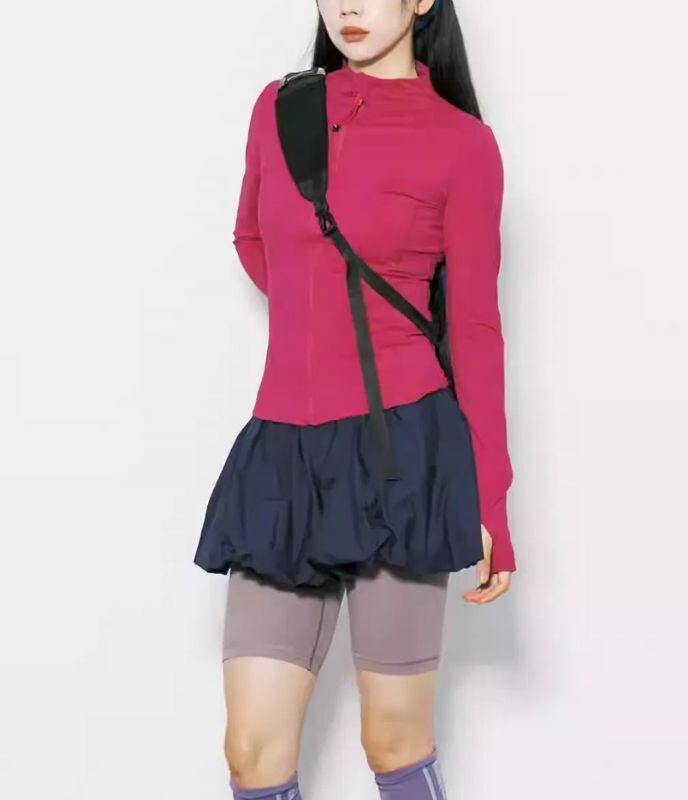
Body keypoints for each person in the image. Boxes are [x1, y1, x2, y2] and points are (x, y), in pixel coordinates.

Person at [193, 1, 517, 798]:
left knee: (392, 737)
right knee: (251, 748)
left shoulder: (462, 144)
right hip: (283, 452)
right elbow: (252, 237)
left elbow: (476, 327)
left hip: (401, 450)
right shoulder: (280, 109)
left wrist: (492, 503)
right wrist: (323, 328)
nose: (348, 5)